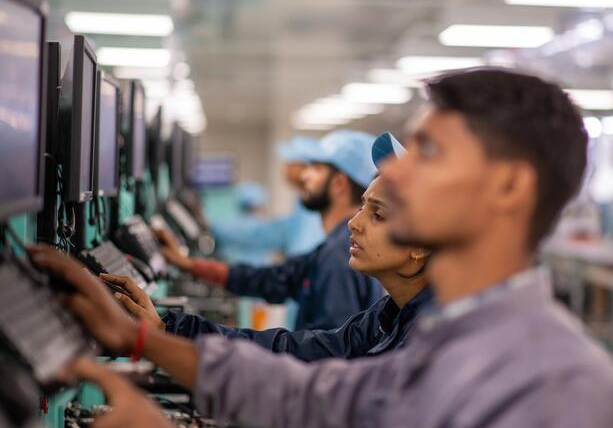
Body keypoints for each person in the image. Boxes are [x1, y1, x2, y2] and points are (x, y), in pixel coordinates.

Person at [42, 69, 613, 428]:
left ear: (508, 188)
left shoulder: (550, 386)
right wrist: (141, 337)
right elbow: (310, 392)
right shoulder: (437, 333)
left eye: (430, 152)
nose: (397, 172)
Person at [101, 134, 432, 363]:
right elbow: (298, 345)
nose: (353, 223)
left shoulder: (433, 345)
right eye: (362, 207)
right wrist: (168, 329)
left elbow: (328, 384)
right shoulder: (387, 317)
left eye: (378, 214)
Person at [158, 130, 385, 331]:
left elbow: (327, 358)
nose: (304, 175)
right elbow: (273, 279)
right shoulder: (331, 248)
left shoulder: (339, 255)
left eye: (315, 168)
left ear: (339, 184)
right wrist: (189, 265)